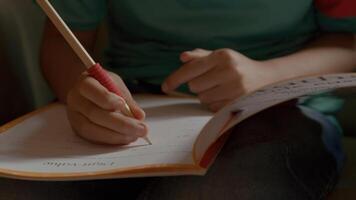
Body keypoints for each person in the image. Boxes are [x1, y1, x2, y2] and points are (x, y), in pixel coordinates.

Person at [35, 0, 356, 199]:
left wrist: (266, 75)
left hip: (279, 107)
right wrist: (87, 95)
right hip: (136, 104)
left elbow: (348, 42)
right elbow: (63, 42)